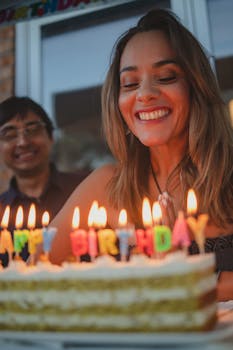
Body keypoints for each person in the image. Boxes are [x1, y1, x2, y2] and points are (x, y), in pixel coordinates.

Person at [49, 8, 233, 300]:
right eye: (130, 83)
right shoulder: (105, 187)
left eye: (166, 76)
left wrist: (184, 280)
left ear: (195, 88)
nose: (144, 94)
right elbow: (30, 270)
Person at [0, 96, 89, 267]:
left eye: (32, 130)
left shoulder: (86, 190)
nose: (23, 142)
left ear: (51, 136)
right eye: (9, 134)